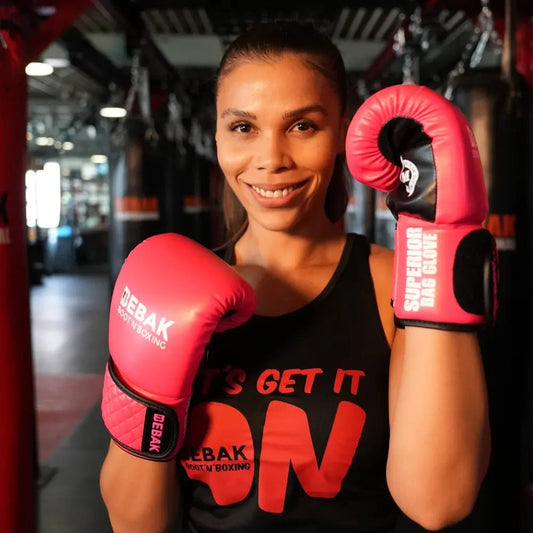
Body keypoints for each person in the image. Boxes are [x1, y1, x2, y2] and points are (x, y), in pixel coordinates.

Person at [99, 19, 495, 533]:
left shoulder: (394, 284)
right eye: (243, 128)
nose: (271, 159)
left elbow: (438, 502)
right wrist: (147, 397)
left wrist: (438, 245)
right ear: (217, 136)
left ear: (342, 132)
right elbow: (136, 524)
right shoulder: (167, 294)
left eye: (302, 125)